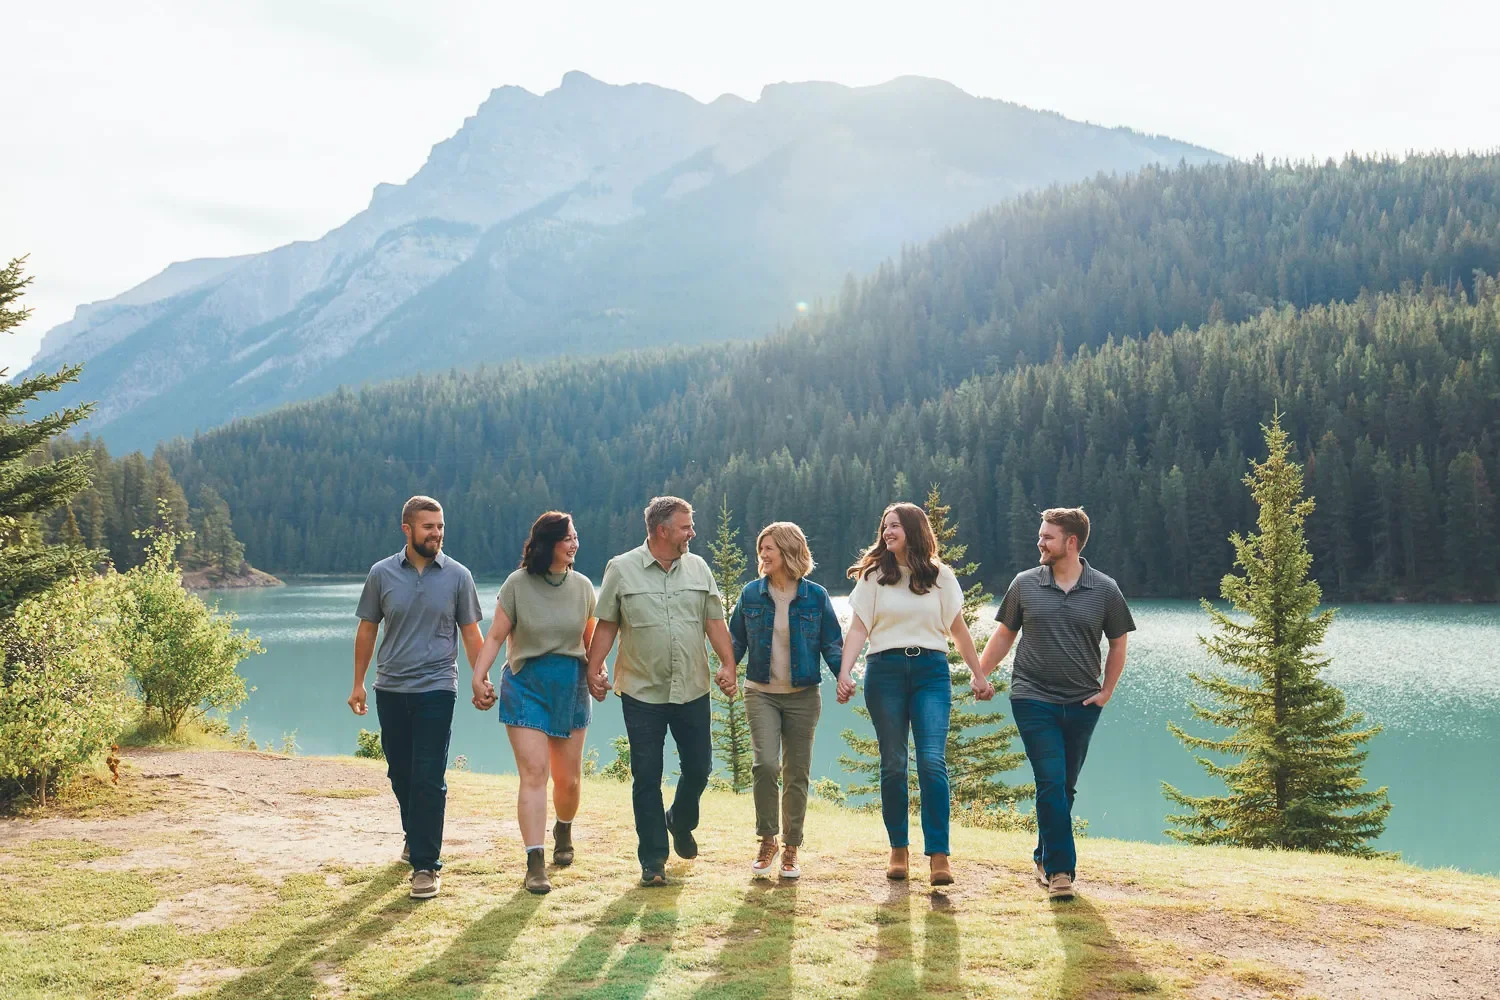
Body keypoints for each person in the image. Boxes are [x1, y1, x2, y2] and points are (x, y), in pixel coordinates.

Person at [976, 507, 1134, 901]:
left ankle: (1044, 856)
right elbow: (1003, 636)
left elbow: (1118, 644)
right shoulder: (1025, 584)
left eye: (1047, 537)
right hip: (1032, 697)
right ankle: (1061, 872)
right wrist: (980, 673)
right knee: (1050, 780)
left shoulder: (1105, 589)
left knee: (1064, 787)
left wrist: (1106, 691)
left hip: (1082, 702)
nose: (1039, 542)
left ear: (1071, 542)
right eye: (1040, 535)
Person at [835, 502, 992, 886]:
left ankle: (939, 855)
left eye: (895, 526)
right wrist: (844, 671)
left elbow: (958, 630)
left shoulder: (940, 576)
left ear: (914, 529)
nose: (888, 532)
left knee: (932, 762)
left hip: (931, 674)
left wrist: (979, 674)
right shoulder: (874, 576)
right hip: (884, 673)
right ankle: (898, 849)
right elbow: (858, 629)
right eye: (884, 526)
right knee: (893, 763)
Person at [585, 496, 738, 887]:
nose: (692, 533)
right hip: (641, 691)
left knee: (699, 768)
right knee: (646, 776)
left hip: (692, 688)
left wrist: (728, 663)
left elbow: (715, 622)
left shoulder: (699, 568)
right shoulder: (621, 569)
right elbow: (606, 625)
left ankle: (680, 820)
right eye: (686, 527)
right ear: (661, 530)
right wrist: (594, 666)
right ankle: (653, 861)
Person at [350, 495, 483, 900]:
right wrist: (358, 683)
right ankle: (415, 833)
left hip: (438, 687)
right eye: (429, 527)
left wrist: (481, 678)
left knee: (428, 777)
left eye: (441, 526)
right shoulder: (381, 574)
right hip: (390, 688)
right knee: (401, 774)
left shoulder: (459, 576)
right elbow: (368, 629)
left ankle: (426, 865)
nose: (437, 533)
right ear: (407, 529)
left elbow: (472, 634)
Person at [469, 511, 596, 895]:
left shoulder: (584, 587)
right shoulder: (517, 584)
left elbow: (591, 644)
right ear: (548, 544)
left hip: (571, 685)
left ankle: (563, 827)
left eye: (576, 537)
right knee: (534, 773)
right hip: (526, 685)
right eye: (568, 538)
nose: (575, 544)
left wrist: (599, 674)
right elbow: (494, 637)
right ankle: (534, 862)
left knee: (569, 781)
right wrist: (479, 675)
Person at [728, 522, 843, 879]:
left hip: (803, 696)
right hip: (760, 691)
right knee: (764, 765)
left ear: (789, 551)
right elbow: (734, 641)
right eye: (761, 548)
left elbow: (831, 643)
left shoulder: (816, 596)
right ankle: (768, 839)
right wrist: (727, 668)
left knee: (796, 772)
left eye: (769, 549)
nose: (763, 555)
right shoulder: (750, 594)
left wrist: (844, 674)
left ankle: (792, 847)